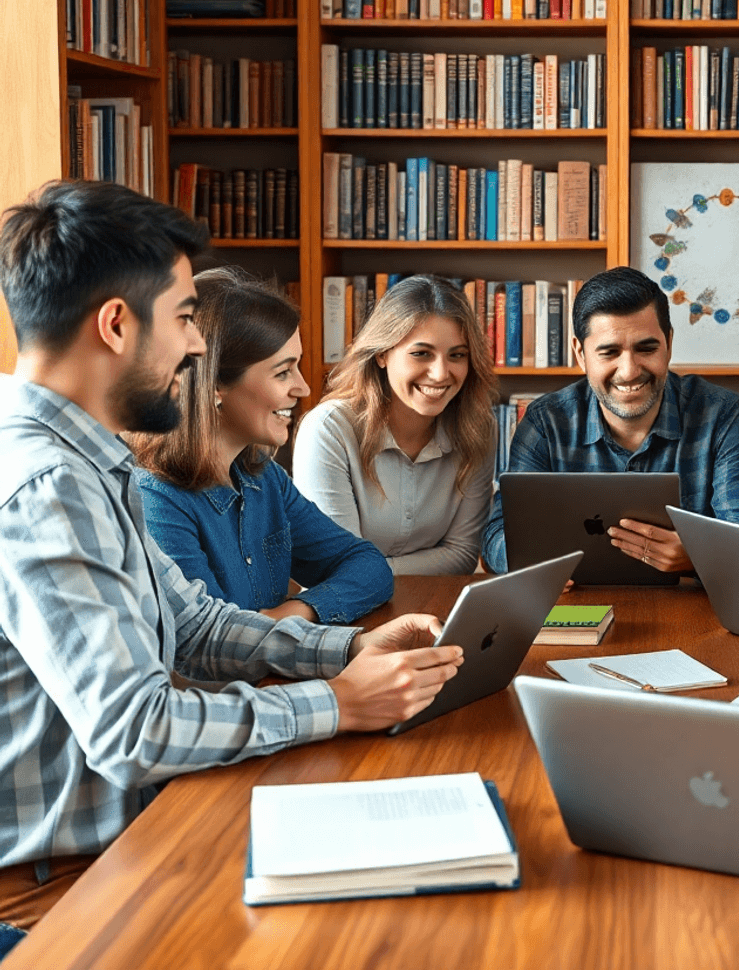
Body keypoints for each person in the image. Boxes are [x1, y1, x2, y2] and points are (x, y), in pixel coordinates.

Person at [0, 182, 461, 935]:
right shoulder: (49, 487)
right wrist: (340, 702)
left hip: (127, 841)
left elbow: (196, 625)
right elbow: (136, 730)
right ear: (116, 325)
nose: (193, 345)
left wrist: (345, 648)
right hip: (57, 890)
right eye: (184, 318)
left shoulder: (85, 461)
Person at [131, 267, 394, 626]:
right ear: (214, 386)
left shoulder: (265, 478)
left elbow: (368, 566)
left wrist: (295, 612)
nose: (303, 389)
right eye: (283, 372)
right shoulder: (155, 501)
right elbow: (210, 640)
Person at [480, 267, 739, 574]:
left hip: (693, 608)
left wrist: (697, 554)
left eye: (646, 349)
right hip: (571, 606)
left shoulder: (723, 415)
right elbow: (497, 533)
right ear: (580, 354)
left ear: (669, 344)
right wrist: (526, 560)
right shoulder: (544, 423)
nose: (629, 370)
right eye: (609, 352)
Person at [293, 276, 497, 575]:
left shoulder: (478, 428)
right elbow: (337, 568)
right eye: (421, 353)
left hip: (430, 609)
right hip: (344, 613)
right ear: (382, 354)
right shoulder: (328, 430)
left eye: (457, 355)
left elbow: (463, 555)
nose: (441, 373)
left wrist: (370, 570)